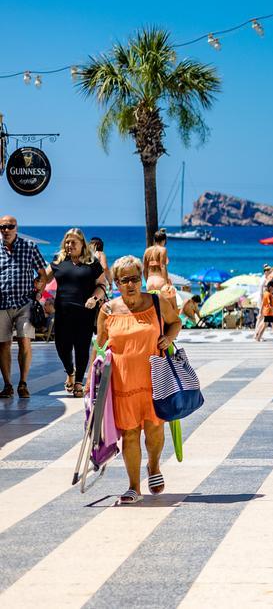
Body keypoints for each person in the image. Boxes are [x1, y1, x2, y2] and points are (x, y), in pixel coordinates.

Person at [96, 255, 182, 504]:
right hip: (122, 383)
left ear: (141, 279)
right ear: (117, 283)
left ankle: (153, 466)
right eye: (125, 280)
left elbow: (176, 322)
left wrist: (168, 338)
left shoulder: (157, 302)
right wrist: (92, 377)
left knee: (154, 431)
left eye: (135, 279)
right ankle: (134, 486)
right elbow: (99, 345)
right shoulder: (108, 310)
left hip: (154, 380)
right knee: (130, 434)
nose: (131, 284)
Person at [0, 215, 52, 399]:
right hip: (1, 304)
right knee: (3, 345)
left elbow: (42, 273)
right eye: (3, 227)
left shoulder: (29, 247)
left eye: (10, 226)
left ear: (16, 227)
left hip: (24, 303)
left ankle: (23, 383)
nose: (6, 230)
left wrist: (39, 292)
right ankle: (7, 385)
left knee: (24, 341)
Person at [51, 228, 106, 397]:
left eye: (73, 242)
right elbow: (43, 277)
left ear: (82, 244)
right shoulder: (58, 260)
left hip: (84, 313)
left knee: (82, 347)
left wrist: (94, 299)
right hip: (62, 312)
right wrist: (37, 287)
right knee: (61, 346)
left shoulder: (92, 263)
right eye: (67, 242)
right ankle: (70, 371)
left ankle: (79, 382)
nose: (69, 245)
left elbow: (102, 286)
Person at [143, 229, 173, 297]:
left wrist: (147, 280)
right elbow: (163, 266)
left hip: (149, 282)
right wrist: (166, 283)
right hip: (160, 281)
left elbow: (144, 269)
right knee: (166, 305)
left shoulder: (147, 251)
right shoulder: (163, 249)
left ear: (155, 240)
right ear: (164, 240)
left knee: (153, 306)